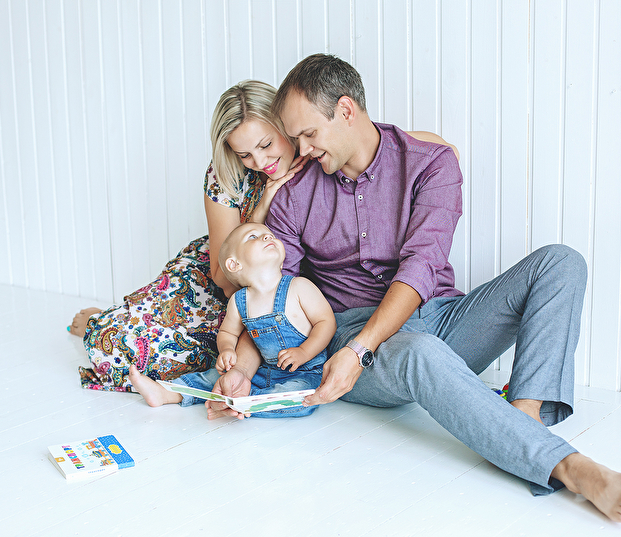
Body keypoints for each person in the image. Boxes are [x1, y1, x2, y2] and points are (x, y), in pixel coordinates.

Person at [217, 53, 621, 523]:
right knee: (419, 351)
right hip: (352, 342)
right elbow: (268, 297)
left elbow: (421, 267)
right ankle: (571, 468)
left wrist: (362, 347)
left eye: (308, 134)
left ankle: (522, 421)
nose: (299, 149)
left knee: (561, 262)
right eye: (294, 137)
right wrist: (243, 371)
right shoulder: (294, 193)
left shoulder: (430, 163)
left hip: (441, 318)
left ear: (346, 110)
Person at [67, 78, 456, 394]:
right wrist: (264, 204)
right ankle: (104, 321)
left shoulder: (321, 151)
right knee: (119, 342)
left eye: (267, 144)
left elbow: (415, 148)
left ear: (287, 127)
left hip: (276, 297)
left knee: (210, 357)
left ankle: (117, 326)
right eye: (245, 155)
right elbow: (224, 278)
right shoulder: (227, 177)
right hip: (222, 284)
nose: (260, 162)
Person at [127, 222, 336, 419]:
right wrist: (227, 349)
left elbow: (326, 322)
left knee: (300, 398)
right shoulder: (240, 301)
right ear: (234, 264)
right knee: (215, 378)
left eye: (270, 235)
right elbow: (228, 333)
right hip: (263, 370)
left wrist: (304, 352)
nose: (267, 236)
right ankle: (167, 392)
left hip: (305, 372)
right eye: (253, 236)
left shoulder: (299, 287)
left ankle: (234, 403)